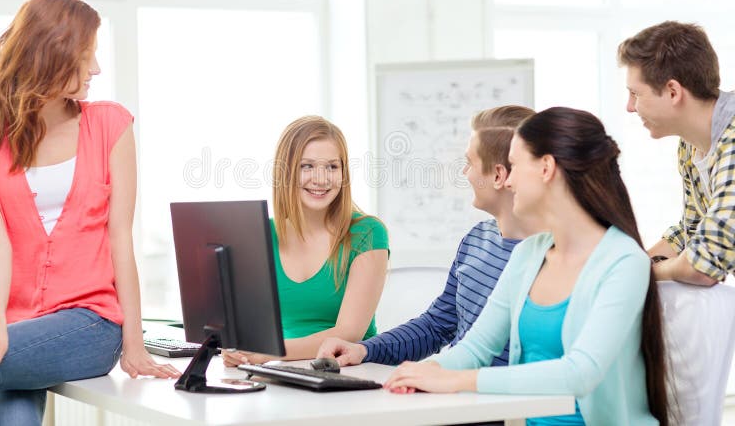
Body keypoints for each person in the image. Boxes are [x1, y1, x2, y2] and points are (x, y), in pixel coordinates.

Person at [0, 0, 180, 426]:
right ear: (50, 56)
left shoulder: (111, 126)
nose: (96, 70)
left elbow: (120, 241)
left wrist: (135, 342)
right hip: (9, 324)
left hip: (90, 323)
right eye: (86, 57)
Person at [384, 107, 669, 426]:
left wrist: (459, 381)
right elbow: (475, 348)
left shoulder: (625, 261)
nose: (509, 180)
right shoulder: (529, 254)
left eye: (516, 165)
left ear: (546, 168)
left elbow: (580, 373)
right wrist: (426, 372)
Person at [317, 105, 539, 368]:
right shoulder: (476, 240)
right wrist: (364, 351)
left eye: (469, 163)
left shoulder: (552, 256)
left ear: (499, 175)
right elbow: (437, 326)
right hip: (458, 395)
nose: (464, 173)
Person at [222, 116, 389, 365]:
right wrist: (239, 348)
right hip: (282, 372)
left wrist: (270, 352)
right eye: (307, 166)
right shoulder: (262, 234)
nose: (321, 179)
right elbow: (248, 323)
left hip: (349, 372)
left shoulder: (367, 233)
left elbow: (348, 333)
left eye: (332, 166)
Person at [619, 21, 734, 286]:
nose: (630, 107)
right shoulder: (690, 145)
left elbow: (703, 265)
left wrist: (645, 274)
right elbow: (692, 233)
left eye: (635, 93)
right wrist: (631, 267)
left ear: (673, 91)